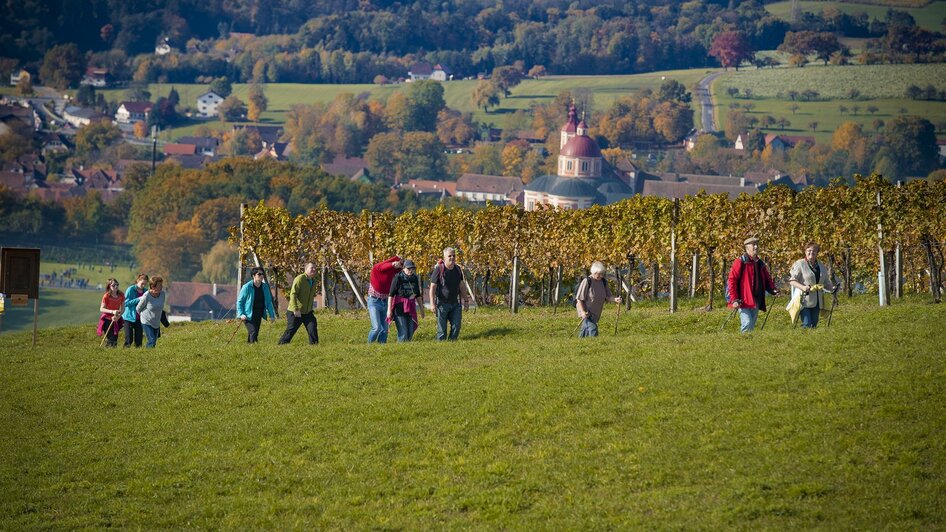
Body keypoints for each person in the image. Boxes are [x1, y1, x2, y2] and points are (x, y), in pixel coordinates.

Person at [727, 237, 780, 333]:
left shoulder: (760, 263)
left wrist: (773, 290)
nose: (756, 247)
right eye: (753, 245)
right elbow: (732, 281)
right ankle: (744, 343)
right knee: (747, 323)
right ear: (747, 248)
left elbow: (767, 279)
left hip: (756, 299)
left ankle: (749, 345)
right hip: (743, 300)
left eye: (757, 245)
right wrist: (734, 299)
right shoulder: (740, 262)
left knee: (752, 324)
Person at [788, 242, 836, 329]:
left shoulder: (821, 266)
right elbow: (792, 281)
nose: (811, 253)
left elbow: (826, 283)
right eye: (809, 251)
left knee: (814, 324)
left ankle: (810, 341)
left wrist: (832, 288)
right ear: (805, 252)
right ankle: (803, 340)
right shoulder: (800, 264)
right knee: (807, 323)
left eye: (814, 251)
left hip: (817, 300)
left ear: (817, 253)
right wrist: (803, 287)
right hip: (803, 299)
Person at [429, 247, 471, 341]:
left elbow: (461, 285)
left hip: (455, 303)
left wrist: (466, 300)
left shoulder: (458, 269)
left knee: (456, 326)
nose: (452, 258)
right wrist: (432, 303)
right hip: (442, 304)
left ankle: (452, 343)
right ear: (444, 258)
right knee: (442, 331)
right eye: (449, 256)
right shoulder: (439, 269)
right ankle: (441, 348)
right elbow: (432, 287)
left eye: (453, 256)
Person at [576, 261, 622, 338]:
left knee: (585, 329)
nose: (601, 276)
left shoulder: (603, 282)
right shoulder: (587, 281)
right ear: (593, 273)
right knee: (593, 328)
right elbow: (579, 299)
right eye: (599, 274)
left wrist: (615, 299)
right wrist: (583, 312)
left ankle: (579, 343)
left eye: (602, 273)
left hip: (596, 311)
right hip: (586, 310)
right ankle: (594, 345)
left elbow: (608, 296)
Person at [278, 262, 319, 345]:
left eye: (315, 268)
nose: (314, 269)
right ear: (306, 269)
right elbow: (293, 294)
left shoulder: (314, 281)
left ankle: (314, 346)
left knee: (312, 326)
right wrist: (296, 309)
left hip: (307, 311)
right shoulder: (300, 279)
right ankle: (282, 344)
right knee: (291, 329)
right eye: (311, 268)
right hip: (296, 311)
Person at [367, 255, 403, 343]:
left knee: (385, 330)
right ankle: (369, 346)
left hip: (384, 301)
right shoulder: (377, 268)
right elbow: (383, 266)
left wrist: (401, 263)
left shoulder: (393, 273)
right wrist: (393, 263)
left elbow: (403, 269)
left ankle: (381, 348)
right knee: (376, 328)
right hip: (374, 301)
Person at [387, 259, 424, 342]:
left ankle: (407, 350)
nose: (411, 271)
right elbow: (391, 295)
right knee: (403, 332)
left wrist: (422, 309)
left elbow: (417, 294)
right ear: (403, 268)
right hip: (399, 307)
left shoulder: (414, 278)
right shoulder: (397, 277)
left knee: (410, 331)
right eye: (408, 269)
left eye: (412, 269)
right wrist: (389, 310)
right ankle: (400, 351)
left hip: (411, 306)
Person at [237, 267, 276, 343]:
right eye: (259, 274)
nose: (262, 276)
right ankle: (254, 347)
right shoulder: (247, 287)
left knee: (255, 333)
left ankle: (249, 348)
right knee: (253, 331)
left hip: (259, 313)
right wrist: (241, 314)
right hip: (248, 314)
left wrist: (272, 315)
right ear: (253, 275)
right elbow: (240, 302)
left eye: (263, 274)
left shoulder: (265, 287)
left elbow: (268, 302)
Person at [136, 276, 166, 348]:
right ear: (153, 286)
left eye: (161, 285)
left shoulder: (162, 294)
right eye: (159, 285)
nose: (161, 286)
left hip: (156, 322)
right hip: (146, 321)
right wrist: (144, 316)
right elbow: (138, 308)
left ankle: (149, 354)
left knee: (154, 342)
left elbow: (160, 307)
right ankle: (147, 355)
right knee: (151, 340)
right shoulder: (146, 295)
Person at [122, 273, 149, 348]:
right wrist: (138, 299)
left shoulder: (146, 292)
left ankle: (138, 356)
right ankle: (124, 354)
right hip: (129, 317)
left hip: (140, 319)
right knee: (129, 340)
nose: (143, 285)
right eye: (142, 283)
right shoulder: (130, 289)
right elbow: (125, 303)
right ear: (138, 281)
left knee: (139, 341)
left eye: (145, 284)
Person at [97, 278, 125, 347]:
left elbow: (123, 308)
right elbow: (101, 309)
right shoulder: (106, 296)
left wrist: (118, 317)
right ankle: (107, 351)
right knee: (110, 338)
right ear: (109, 286)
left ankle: (111, 352)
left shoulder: (121, 295)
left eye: (117, 285)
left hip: (116, 319)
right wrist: (112, 311)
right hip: (107, 319)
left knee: (115, 337)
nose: (116, 287)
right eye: (113, 285)